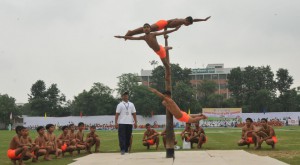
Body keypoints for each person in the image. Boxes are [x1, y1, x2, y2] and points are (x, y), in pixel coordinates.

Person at [115, 24, 181, 81]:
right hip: (158, 50)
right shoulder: (144, 37)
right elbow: (133, 38)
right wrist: (121, 36)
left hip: (160, 52)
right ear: (143, 30)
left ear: (150, 29)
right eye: (144, 27)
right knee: (163, 48)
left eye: (147, 27)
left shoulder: (153, 34)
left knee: (166, 65)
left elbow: (164, 32)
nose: (146, 28)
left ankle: (168, 74)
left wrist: (175, 29)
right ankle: (167, 48)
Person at [125, 16, 211, 37]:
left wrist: (203, 20)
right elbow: (167, 24)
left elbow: (194, 20)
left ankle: (131, 33)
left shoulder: (183, 21)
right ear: (187, 21)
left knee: (148, 30)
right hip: (162, 24)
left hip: (162, 24)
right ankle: (131, 32)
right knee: (148, 29)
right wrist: (165, 34)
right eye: (188, 24)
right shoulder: (180, 21)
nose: (187, 25)